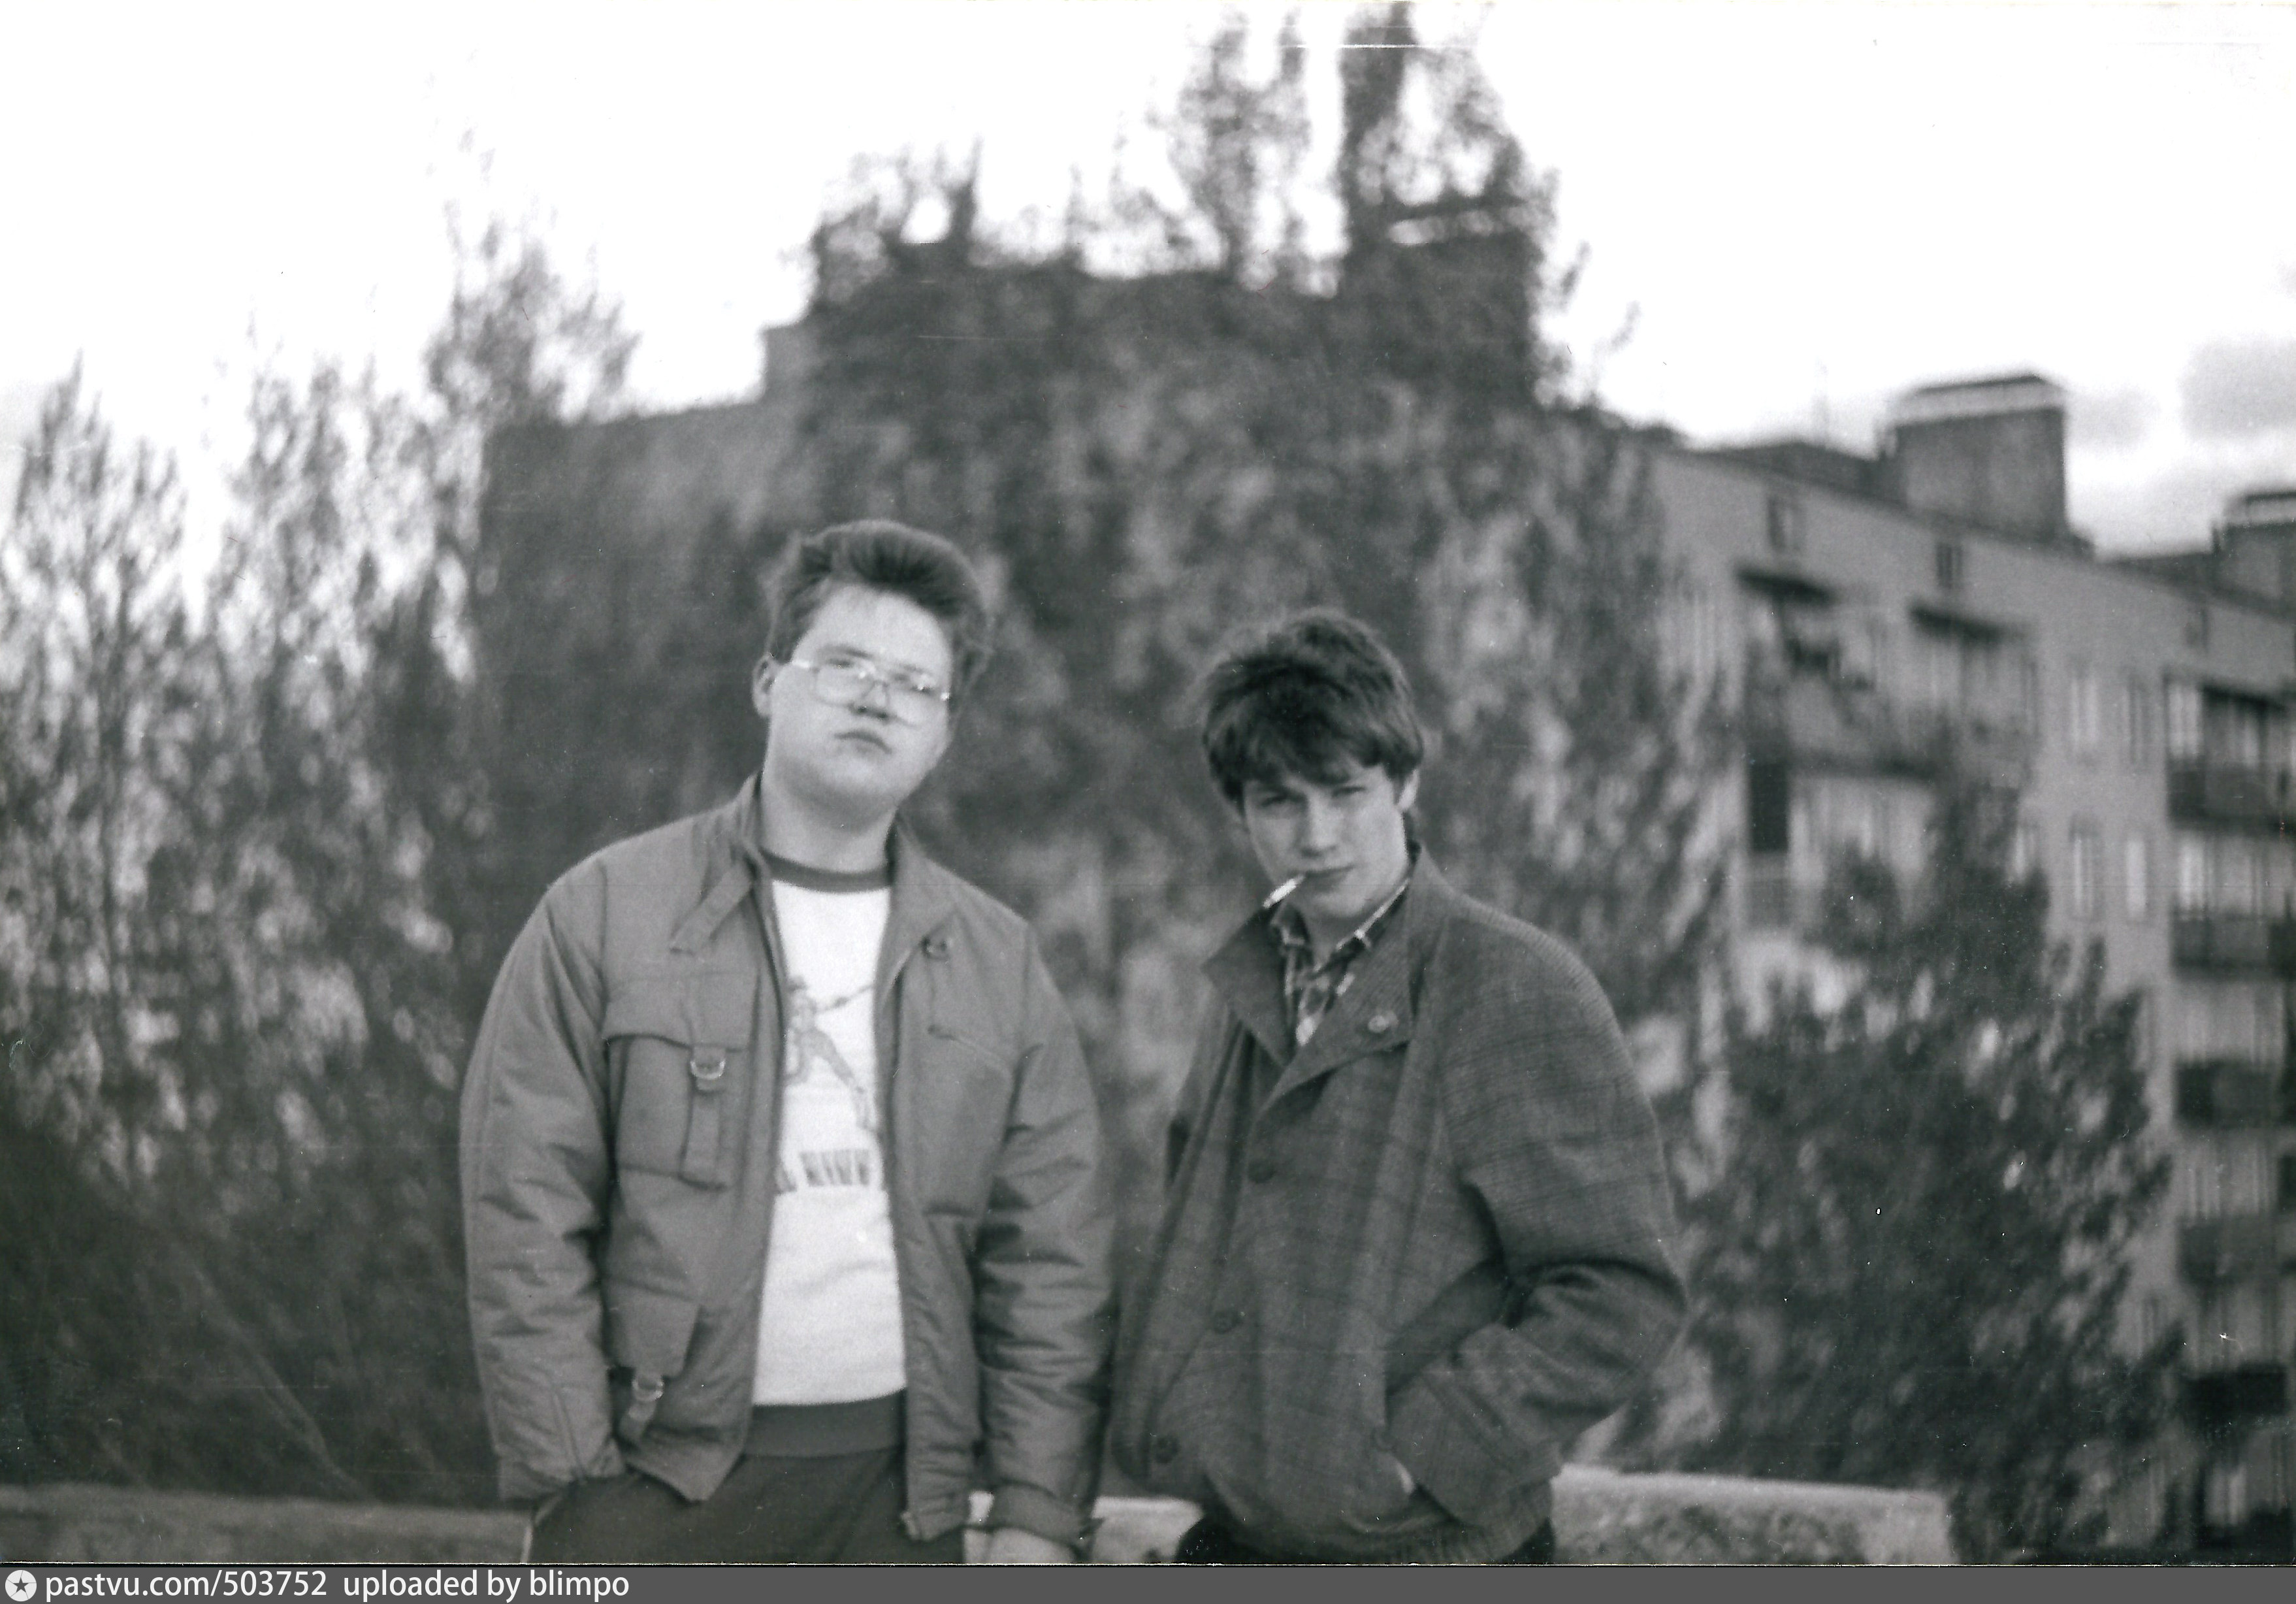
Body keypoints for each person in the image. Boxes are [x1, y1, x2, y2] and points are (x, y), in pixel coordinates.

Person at [460, 521, 1112, 1564]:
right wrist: (575, 1487)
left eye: (916, 685)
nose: (877, 699)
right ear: (769, 682)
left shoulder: (999, 962)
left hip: (903, 1508)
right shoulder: (604, 914)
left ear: (944, 732)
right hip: (652, 1492)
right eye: (844, 664)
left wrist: (1037, 1512)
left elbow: (1052, 1259)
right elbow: (523, 1213)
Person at [1109, 609, 1687, 1563]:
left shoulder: (1513, 985)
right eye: (1279, 802)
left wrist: (1422, 1456)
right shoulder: (1247, 982)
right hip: (1241, 1536)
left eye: (1347, 792)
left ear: (1407, 782)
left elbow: (1621, 1291)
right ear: (1240, 810)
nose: (1317, 836)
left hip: (1434, 1550)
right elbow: (1198, 1237)